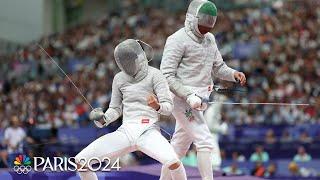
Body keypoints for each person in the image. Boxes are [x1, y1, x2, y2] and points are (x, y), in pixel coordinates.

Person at [75, 39, 187, 180]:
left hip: (148, 131)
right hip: (126, 132)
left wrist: (157, 106)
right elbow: (115, 109)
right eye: (123, 61)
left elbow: (168, 107)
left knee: (174, 162)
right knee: (81, 161)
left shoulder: (155, 75)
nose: (127, 64)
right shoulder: (119, 78)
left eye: (129, 60)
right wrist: (103, 119)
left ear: (139, 57)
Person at [160, 0, 246, 179]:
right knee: (205, 140)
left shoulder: (210, 39)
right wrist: (189, 95)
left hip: (201, 99)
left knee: (179, 148)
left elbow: (218, 67)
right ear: (192, 19)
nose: (206, 29)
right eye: (202, 25)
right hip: (182, 99)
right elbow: (166, 75)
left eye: (209, 25)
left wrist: (233, 74)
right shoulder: (176, 40)